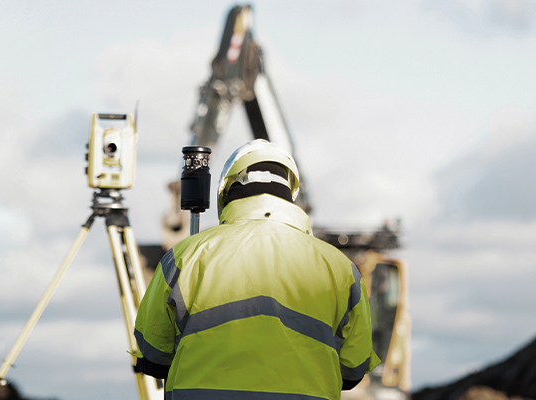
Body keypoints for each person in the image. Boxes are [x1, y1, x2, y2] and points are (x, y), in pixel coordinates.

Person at [132, 139, 380, 399]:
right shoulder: (340, 269)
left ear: (226, 191)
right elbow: (353, 368)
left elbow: (153, 354)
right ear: (291, 193)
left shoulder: (186, 256)